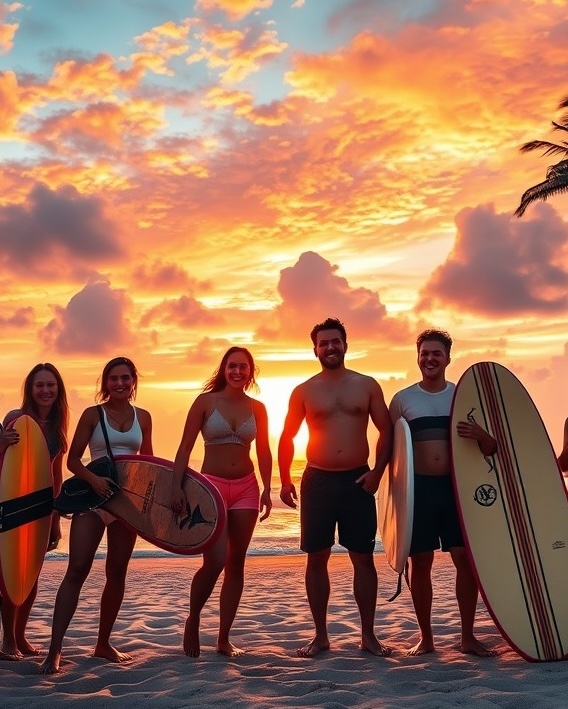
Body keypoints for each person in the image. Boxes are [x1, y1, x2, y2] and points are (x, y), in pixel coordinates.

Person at [278, 317, 394, 658]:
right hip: (318, 479)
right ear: (315, 349)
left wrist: (378, 472)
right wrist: (284, 479)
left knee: (363, 559)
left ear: (345, 344)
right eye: (324, 343)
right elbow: (287, 436)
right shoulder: (304, 390)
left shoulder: (367, 385)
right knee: (317, 558)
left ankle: (369, 636)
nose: (330, 347)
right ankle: (320, 636)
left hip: (358, 479)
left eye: (336, 341)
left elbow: (386, 430)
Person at [40, 357, 152, 674]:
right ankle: (55, 650)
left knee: (117, 572)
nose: (120, 383)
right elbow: (73, 460)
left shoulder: (143, 417)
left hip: (126, 504)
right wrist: (95, 481)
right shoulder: (93, 414)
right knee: (76, 569)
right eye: (113, 378)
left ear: (134, 381)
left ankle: (103, 644)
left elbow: (149, 463)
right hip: (94, 500)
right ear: (105, 383)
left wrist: (162, 500)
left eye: (125, 378)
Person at [389, 329, 497, 657]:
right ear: (417, 356)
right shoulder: (402, 400)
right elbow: (391, 451)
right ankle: (427, 638)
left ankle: (468, 637)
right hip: (418, 490)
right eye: (424, 353)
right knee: (419, 562)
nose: (430, 359)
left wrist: (480, 433)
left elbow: (492, 450)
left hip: (455, 489)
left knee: (465, 559)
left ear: (448, 358)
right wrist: (385, 488)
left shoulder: (462, 398)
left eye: (437, 353)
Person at [171, 346, 272, 658]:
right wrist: (177, 487)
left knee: (236, 563)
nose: (238, 371)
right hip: (209, 487)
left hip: (246, 488)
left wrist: (268, 488)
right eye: (232, 366)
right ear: (223, 368)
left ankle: (223, 638)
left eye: (243, 367)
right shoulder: (205, 402)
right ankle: (193, 619)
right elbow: (185, 447)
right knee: (214, 561)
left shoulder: (258, 407)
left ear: (250, 372)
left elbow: (265, 451)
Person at [0, 363, 69, 660]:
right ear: (30, 389)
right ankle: (7, 643)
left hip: (40, 511)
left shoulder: (57, 429)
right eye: (39, 385)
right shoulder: (16, 419)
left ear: (58, 389)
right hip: (11, 507)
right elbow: (7, 468)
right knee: (9, 575)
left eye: (50, 385)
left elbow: (56, 477)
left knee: (30, 576)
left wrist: (55, 519)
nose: (45, 390)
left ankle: (20, 636)